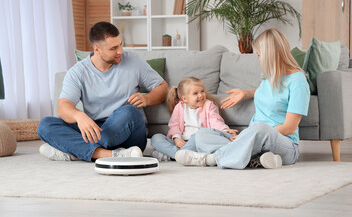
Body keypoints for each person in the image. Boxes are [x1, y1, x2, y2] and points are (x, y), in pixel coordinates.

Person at [174, 28, 310, 169]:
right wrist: (245, 93)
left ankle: (211, 159)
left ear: (270, 55)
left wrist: (250, 136)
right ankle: (255, 158)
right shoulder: (270, 77)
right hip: (253, 137)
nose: (258, 59)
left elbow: (289, 127)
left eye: (259, 54)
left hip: (283, 144)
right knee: (203, 134)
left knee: (260, 129)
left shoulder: (298, 81)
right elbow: (271, 94)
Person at [37, 21, 168, 161]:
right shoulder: (78, 72)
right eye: (113, 48)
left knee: (129, 111)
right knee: (45, 125)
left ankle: (74, 152)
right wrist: (79, 116)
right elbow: (63, 107)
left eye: (120, 44)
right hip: (96, 129)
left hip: (128, 129)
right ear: (97, 49)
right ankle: (109, 154)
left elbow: (162, 87)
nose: (120, 51)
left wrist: (147, 99)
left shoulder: (134, 61)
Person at [151, 77, 237, 162]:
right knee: (155, 138)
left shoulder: (209, 105)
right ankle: (180, 155)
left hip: (197, 141)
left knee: (199, 134)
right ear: (185, 98)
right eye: (195, 93)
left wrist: (225, 130)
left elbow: (215, 121)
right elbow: (174, 125)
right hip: (182, 141)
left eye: (202, 91)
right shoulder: (179, 107)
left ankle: (172, 156)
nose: (200, 95)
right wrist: (176, 138)